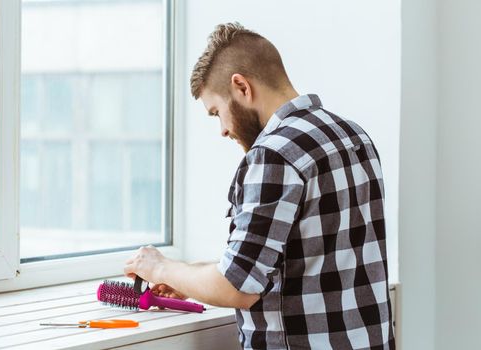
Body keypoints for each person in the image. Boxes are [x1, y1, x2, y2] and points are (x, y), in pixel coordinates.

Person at [124, 22, 395, 349]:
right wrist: (186, 278)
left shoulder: (273, 155)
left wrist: (160, 266)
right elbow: (291, 258)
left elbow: (237, 286)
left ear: (241, 86)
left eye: (217, 112)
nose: (223, 130)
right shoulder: (352, 135)